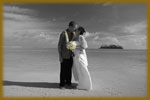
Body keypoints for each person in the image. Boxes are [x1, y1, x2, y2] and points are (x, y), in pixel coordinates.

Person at [58, 21, 78, 89]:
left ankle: (68, 83)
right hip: (64, 55)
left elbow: (75, 44)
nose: (75, 29)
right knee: (63, 71)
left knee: (69, 70)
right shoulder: (63, 34)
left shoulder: (74, 34)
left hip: (71, 55)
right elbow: (59, 46)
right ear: (70, 27)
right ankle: (62, 85)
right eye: (74, 28)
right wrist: (60, 56)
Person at [72, 26, 92, 90]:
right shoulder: (77, 37)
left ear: (79, 31)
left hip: (80, 55)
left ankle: (86, 85)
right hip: (77, 55)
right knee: (79, 69)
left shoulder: (81, 37)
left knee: (82, 69)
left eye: (76, 30)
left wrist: (75, 48)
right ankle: (82, 83)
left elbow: (84, 46)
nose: (75, 31)